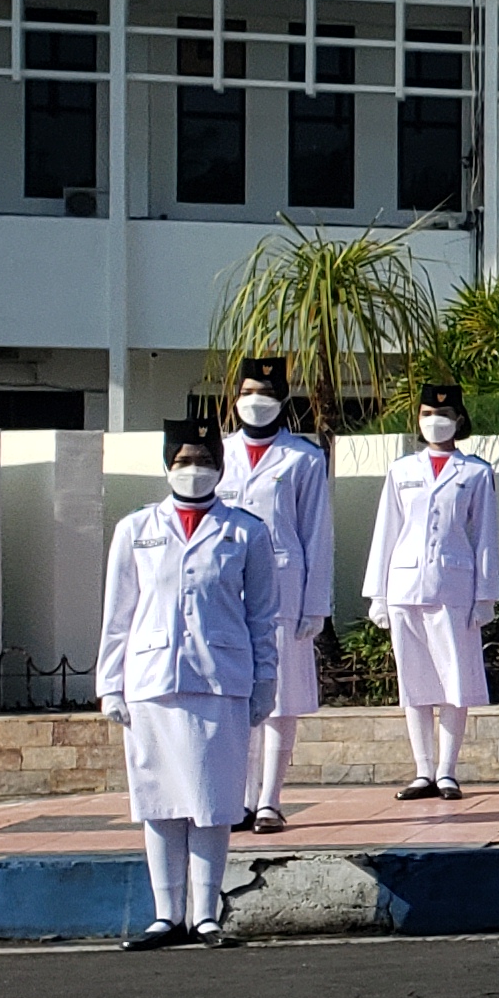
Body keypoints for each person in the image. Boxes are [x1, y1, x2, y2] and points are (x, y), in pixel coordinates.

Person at [99, 421, 282, 949]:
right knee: (157, 797)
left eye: (203, 459)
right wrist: (111, 682)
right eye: (182, 460)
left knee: (213, 799)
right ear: (166, 465)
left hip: (219, 679)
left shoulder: (246, 530)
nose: (193, 469)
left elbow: (262, 616)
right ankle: (165, 915)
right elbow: (118, 613)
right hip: (153, 679)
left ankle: (205, 914)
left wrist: (264, 681)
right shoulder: (137, 529)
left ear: (220, 467)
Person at [363, 381, 497, 800]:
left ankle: (446, 770)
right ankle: (422, 770)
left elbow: (486, 537)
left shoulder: (475, 472)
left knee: (455, 682)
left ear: (458, 419)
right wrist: (378, 594)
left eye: (442, 414)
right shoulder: (402, 471)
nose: (434, 421)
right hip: (405, 585)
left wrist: (485, 595)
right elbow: (386, 532)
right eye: (426, 414)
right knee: (415, 682)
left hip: (454, 586)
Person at [214, 356, 329, 835]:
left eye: (264, 393)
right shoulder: (217, 453)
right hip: (227, 589)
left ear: (281, 400)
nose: (254, 402)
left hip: (284, 589)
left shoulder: (304, 458)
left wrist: (315, 604)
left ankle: (269, 801)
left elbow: (317, 534)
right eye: (246, 393)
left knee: (280, 699)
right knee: (236, 696)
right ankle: (237, 799)